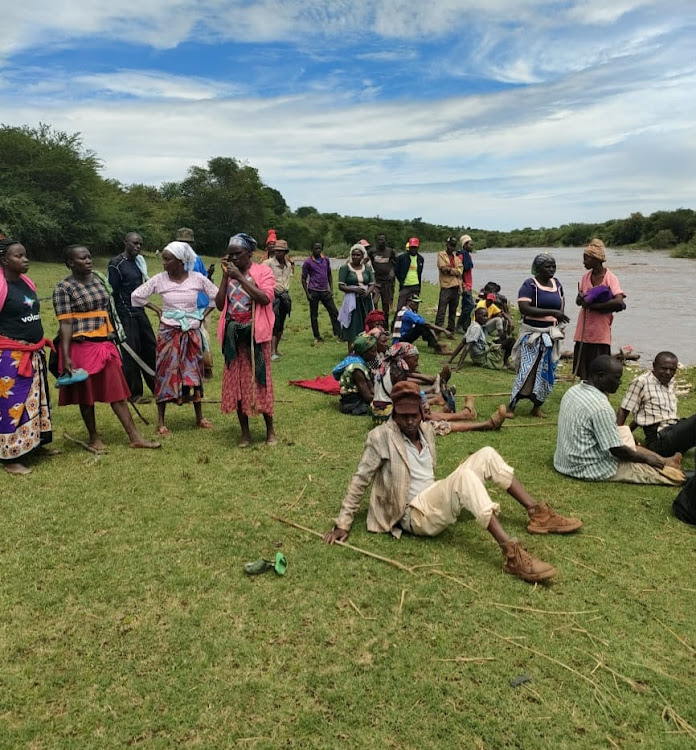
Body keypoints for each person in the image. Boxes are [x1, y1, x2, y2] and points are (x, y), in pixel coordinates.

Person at [324, 380, 582, 583]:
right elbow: (360, 480)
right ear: (394, 414)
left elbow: (449, 427)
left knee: (487, 454)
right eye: (402, 416)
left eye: (414, 414)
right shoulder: (380, 437)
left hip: (433, 497)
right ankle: (511, 553)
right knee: (464, 477)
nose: (409, 421)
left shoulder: (425, 428)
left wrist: (484, 424)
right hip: (414, 514)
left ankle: (537, 514)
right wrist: (343, 523)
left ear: (421, 412)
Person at [52, 245, 160, 451]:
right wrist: (65, 357)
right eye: (82, 258)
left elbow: (107, 309)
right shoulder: (63, 288)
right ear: (70, 263)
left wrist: (113, 333)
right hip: (81, 346)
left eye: (89, 257)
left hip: (104, 344)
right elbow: (65, 325)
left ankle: (135, 436)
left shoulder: (99, 280)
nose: (88, 261)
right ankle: (94, 437)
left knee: (118, 392)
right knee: (86, 394)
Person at [131, 241, 219, 435]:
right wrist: (156, 309)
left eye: (167, 259)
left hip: (191, 333)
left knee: (194, 373)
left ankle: (199, 417)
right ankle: (161, 421)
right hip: (168, 334)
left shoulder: (197, 278)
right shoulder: (160, 280)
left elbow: (217, 296)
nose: (164, 263)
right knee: (164, 373)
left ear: (180, 261)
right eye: (164, 259)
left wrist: (202, 315)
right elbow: (137, 296)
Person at [554, 355, 682, 484]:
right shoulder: (601, 408)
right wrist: (645, 458)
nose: (619, 382)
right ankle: (676, 472)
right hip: (586, 467)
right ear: (600, 376)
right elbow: (617, 450)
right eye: (616, 378)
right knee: (657, 473)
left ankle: (665, 460)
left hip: (564, 461)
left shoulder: (573, 390)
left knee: (624, 432)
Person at [0, 238, 55, 475]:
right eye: (18, 256)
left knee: (35, 401)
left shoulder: (26, 283)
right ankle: (11, 456)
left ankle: (34, 444)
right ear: (4, 260)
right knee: (13, 404)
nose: (25, 260)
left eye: (25, 255)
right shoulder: (1, 287)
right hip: (10, 356)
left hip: (33, 353)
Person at [216, 233, 276, 447]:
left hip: (255, 335)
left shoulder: (263, 272)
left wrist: (240, 278)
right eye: (230, 255)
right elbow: (220, 305)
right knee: (238, 384)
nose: (233, 259)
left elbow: (265, 298)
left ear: (250, 253)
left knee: (260, 380)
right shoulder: (228, 274)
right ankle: (245, 433)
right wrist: (225, 277)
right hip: (234, 336)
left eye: (238, 254)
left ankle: (270, 431)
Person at [372, 343, 507, 433]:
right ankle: (485, 424)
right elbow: (405, 403)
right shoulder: (398, 373)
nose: (417, 364)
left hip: (380, 413)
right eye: (415, 360)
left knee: (425, 414)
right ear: (404, 358)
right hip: (388, 419)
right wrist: (424, 406)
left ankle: (465, 413)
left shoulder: (390, 367)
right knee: (434, 424)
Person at [507, 254, 569, 418]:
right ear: (538, 268)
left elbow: (561, 306)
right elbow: (524, 308)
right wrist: (552, 312)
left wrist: (558, 318)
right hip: (532, 335)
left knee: (547, 372)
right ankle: (512, 405)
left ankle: (537, 405)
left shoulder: (557, 284)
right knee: (526, 370)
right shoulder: (530, 285)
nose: (551, 270)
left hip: (550, 336)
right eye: (547, 267)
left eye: (553, 266)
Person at [107, 231, 157, 404]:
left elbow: (140, 291)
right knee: (131, 352)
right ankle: (134, 393)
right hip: (124, 314)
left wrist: (153, 307)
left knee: (150, 347)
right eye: (135, 243)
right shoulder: (116, 264)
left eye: (140, 244)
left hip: (139, 311)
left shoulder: (138, 262)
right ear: (125, 242)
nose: (138, 247)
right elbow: (111, 292)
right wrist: (111, 321)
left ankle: (157, 386)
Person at [617, 351, 696, 456]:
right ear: (654, 366)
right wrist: (620, 437)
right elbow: (623, 410)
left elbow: (642, 414)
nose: (668, 373)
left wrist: (630, 431)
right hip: (659, 439)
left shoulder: (669, 382)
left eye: (672, 370)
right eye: (664, 368)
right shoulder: (642, 382)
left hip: (674, 430)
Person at [573, 239, 626, 380]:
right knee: (583, 372)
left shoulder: (610, 278)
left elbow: (619, 301)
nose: (584, 263)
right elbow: (579, 301)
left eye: (586, 259)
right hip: (583, 331)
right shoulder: (585, 277)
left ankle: (601, 398)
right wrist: (580, 299)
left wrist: (593, 306)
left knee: (600, 371)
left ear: (596, 259)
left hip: (600, 332)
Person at [174, 227, 215, 378]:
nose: (185, 246)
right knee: (183, 336)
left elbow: (204, 279)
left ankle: (206, 366)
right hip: (181, 304)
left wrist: (209, 276)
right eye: (182, 243)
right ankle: (186, 368)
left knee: (202, 336)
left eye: (187, 243)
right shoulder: (173, 259)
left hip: (200, 304)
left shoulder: (197, 259)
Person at [301, 242, 341, 344]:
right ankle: (317, 336)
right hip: (313, 291)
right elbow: (303, 279)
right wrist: (307, 294)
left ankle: (338, 333)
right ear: (312, 249)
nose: (318, 250)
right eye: (316, 249)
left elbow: (329, 274)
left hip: (325, 291)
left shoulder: (326, 260)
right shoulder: (308, 262)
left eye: (320, 249)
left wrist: (331, 289)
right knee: (314, 315)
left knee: (334, 312)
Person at [338, 244, 375, 346]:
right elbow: (341, 286)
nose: (355, 257)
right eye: (353, 255)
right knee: (353, 324)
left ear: (362, 256)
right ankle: (352, 348)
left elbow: (372, 283)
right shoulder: (345, 268)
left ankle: (365, 348)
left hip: (366, 300)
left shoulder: (367, 268)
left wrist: (367, 292)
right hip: (352, 300)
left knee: (366, 323)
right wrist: (354, 290)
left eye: (358, 255)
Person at [334, 333, 379, 416]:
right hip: (353, 402)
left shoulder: (363, 363)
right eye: (373, 351)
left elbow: (371, 388)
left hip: (360, 396)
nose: (376, 354)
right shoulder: (357, 369)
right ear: (364, 353)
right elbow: (367, 396)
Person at [262, 239, 292, 361]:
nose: (278, 253)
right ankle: (271, 351)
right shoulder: (267, 263)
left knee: (281, 324)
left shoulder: (288, 265)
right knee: (274, 323)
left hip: (285, 295)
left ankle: (276, 349)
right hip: (273, 296)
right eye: (277, 251)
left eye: (281, 251)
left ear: (285, 252)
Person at [435, 237, 463, 333]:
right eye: (451, 245)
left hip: (456, 287)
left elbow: (460, 271)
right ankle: (438, 330)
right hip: (446, 286)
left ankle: (451, 330)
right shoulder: (441, 254)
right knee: (441, 310)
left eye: (454, 246)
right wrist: (454, 270)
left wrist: (450, 270)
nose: (452, 248)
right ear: (447, 245)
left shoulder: (457, 258)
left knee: (453, 311)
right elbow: (443, 268)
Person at [368, 234, 397, 325]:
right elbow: (367, 263)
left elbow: (395, 263)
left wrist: (392, 271)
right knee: (374, 302)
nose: (381, 242)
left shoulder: (390, 251)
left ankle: (385, 326)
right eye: (379, 240)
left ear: (386, 241)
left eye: (383, 240)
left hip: (387, 282)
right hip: (375, 282)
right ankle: (375, 322)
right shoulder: (372, 252)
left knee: (385, 304)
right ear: (376, 241)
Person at [394, 237, 424, 312]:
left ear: (418, 248)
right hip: (405, 286)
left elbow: (420, 272)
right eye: (412, 247)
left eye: (415, 247)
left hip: (416, 286)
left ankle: (413, 323)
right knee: (400, 308)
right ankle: (397, 322)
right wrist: (401, 281)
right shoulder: (402, 257)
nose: (413, 249)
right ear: (409, 247)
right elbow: (396, 270)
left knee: (414, 307)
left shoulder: (420, 258)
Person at [455, 234, 475, 333]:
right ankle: (459, 325)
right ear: (465, 245)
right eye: (470, 245)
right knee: (470, 305)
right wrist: (462, 284)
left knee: (465, 305)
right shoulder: (461, 256)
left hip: (469, 284)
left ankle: (465, 326)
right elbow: (459, 272)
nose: (472, 246)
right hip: (465, 285)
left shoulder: (468, 255)